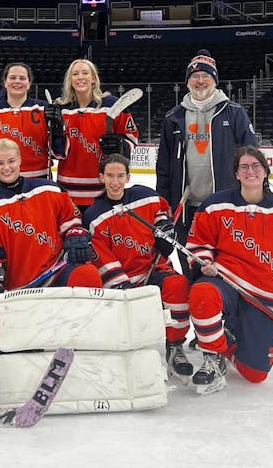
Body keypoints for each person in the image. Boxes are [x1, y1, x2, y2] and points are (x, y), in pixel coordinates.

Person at [185, 146, 273, 395]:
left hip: (264, 296)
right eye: (243, 167)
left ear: (265, 171)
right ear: (236, 174)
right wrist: (204, 262)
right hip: (226, 283)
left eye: (255, 166)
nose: (250, 171)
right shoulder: (214, 205)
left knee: (255, 374)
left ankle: (226, 339)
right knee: (202, 293)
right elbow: (198, 244)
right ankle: (213, 356)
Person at [82, 153, 193, 382]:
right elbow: (101, 257)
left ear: (128, 177)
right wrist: (121, 284)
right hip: (123, 280)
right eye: (110, 176)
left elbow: (162, 211)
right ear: (101, 177)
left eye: (120, 176)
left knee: (179, 286)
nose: (115, 182)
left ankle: (175, 345)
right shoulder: (94, 216)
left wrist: (164, 227)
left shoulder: (145, 196)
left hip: (155, 269)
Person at [156, 49, 257, 277]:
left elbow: (252, 160)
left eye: (205, 76)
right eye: (194, 76)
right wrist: (163, 204)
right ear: (187, 82)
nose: (200, 81)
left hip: (226, 206)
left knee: (227, 269)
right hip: (186, 210)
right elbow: (163, 167)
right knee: (191, 267)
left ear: (215, 80)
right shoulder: (174, 117)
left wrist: (251, 198)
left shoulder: (234, 113)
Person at [0, 139, 103, 299]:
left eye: (11, 161)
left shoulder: (49, 189)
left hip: (56, 272)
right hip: (22, 286)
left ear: (20, 160)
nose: (6, 168)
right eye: (0, 163)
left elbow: (70, 220)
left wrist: (73, 233)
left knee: (87, 274)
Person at [51, 59, 139, 211]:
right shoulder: (60, 108)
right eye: (75, 74)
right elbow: (56, 152)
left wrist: (120, 145)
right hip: (68, 188)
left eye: (85, 73)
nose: (80, 77)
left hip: (104, 187)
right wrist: (55, 134)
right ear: (70, 80)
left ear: (93, 78)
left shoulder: (112, 105)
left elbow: (131, 137)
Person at [0, 63, 64, 192]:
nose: (17, 81)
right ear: (5, 82)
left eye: (22, 78)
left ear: (29, 83)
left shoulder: (44, 109)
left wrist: (58, 131)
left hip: (36, 186)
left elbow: (58, 153)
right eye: (12, 77)